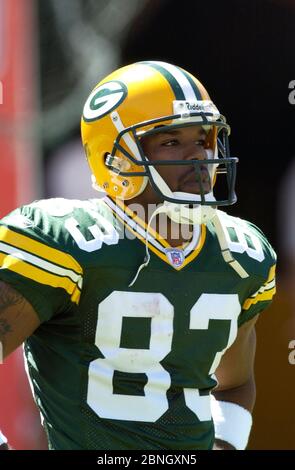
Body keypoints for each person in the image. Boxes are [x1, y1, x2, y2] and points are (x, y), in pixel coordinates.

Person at [0, 61, 276, 451]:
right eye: (171, 142)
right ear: (116, 158)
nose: (198, 157)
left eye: (204, 138)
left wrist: (224, 445)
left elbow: (233, 383)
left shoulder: (241, 253)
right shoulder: (64, 242)